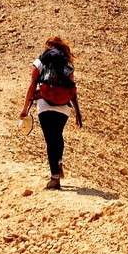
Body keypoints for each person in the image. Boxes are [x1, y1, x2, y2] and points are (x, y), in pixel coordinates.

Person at [21, 36, 83, 189]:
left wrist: (24, 109)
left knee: (50, 139)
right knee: (58, 134)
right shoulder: (66, 63)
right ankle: (59, 162)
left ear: (48, 46)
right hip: (64, 105)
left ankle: (55, 178)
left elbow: (32, 86)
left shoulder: (40, 61)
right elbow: (72, 88)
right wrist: (78, 113)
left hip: (45, 103)